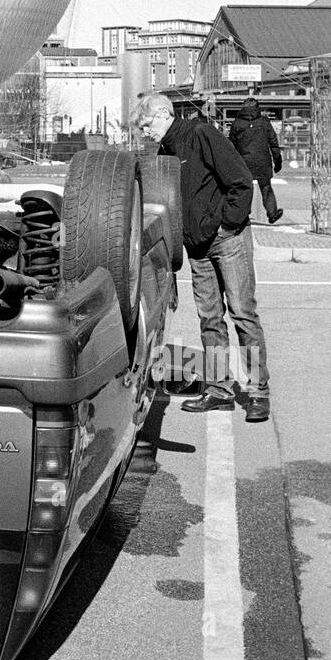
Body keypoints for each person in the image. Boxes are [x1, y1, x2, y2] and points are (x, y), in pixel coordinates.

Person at [131, 93, 271, 422]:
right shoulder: (165, 151)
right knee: (210, 320)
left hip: (227, 239)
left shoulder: (200, 135)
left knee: (242, 315)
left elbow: (239, 180)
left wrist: (226, 225)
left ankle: (257, 392)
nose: (144, 132)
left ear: (164, 115)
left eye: (146, 125)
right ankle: (220, 390)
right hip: (198, 248)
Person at [228, 97, 284, 224]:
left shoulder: (237, 123)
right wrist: (278, 160)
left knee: (243, 189)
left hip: (243, 161)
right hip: (262, 161)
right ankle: (272, 213)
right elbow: (273, 141)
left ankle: (242, 216)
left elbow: (231, 145)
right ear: (257, 107)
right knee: (266, 187)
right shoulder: (264, 122)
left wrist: (231, 163)